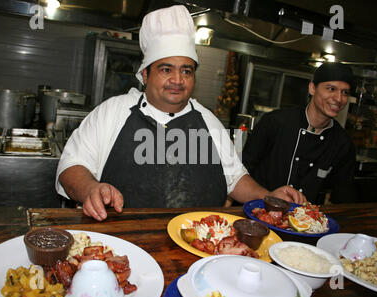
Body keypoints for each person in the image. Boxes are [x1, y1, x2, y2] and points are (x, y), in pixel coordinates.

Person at [55, 5, 305, 221]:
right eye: (166, 69)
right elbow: (71, 165)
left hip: (197, 248)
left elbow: (234, 178)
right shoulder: (113, 113)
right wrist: (90, 189)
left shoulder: (208, 122)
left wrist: (267, 196)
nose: (177, 80)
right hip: (123, 243)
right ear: (145, 74)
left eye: (186, 71)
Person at [242, 62, 357, 204]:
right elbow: (242, 170)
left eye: (345, 92)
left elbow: (342, 196)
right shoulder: (275, 122)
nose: (339, 99)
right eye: (331, 88)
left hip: (305, 222)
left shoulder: (342, 143)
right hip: (258, 210)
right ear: (312, 88)